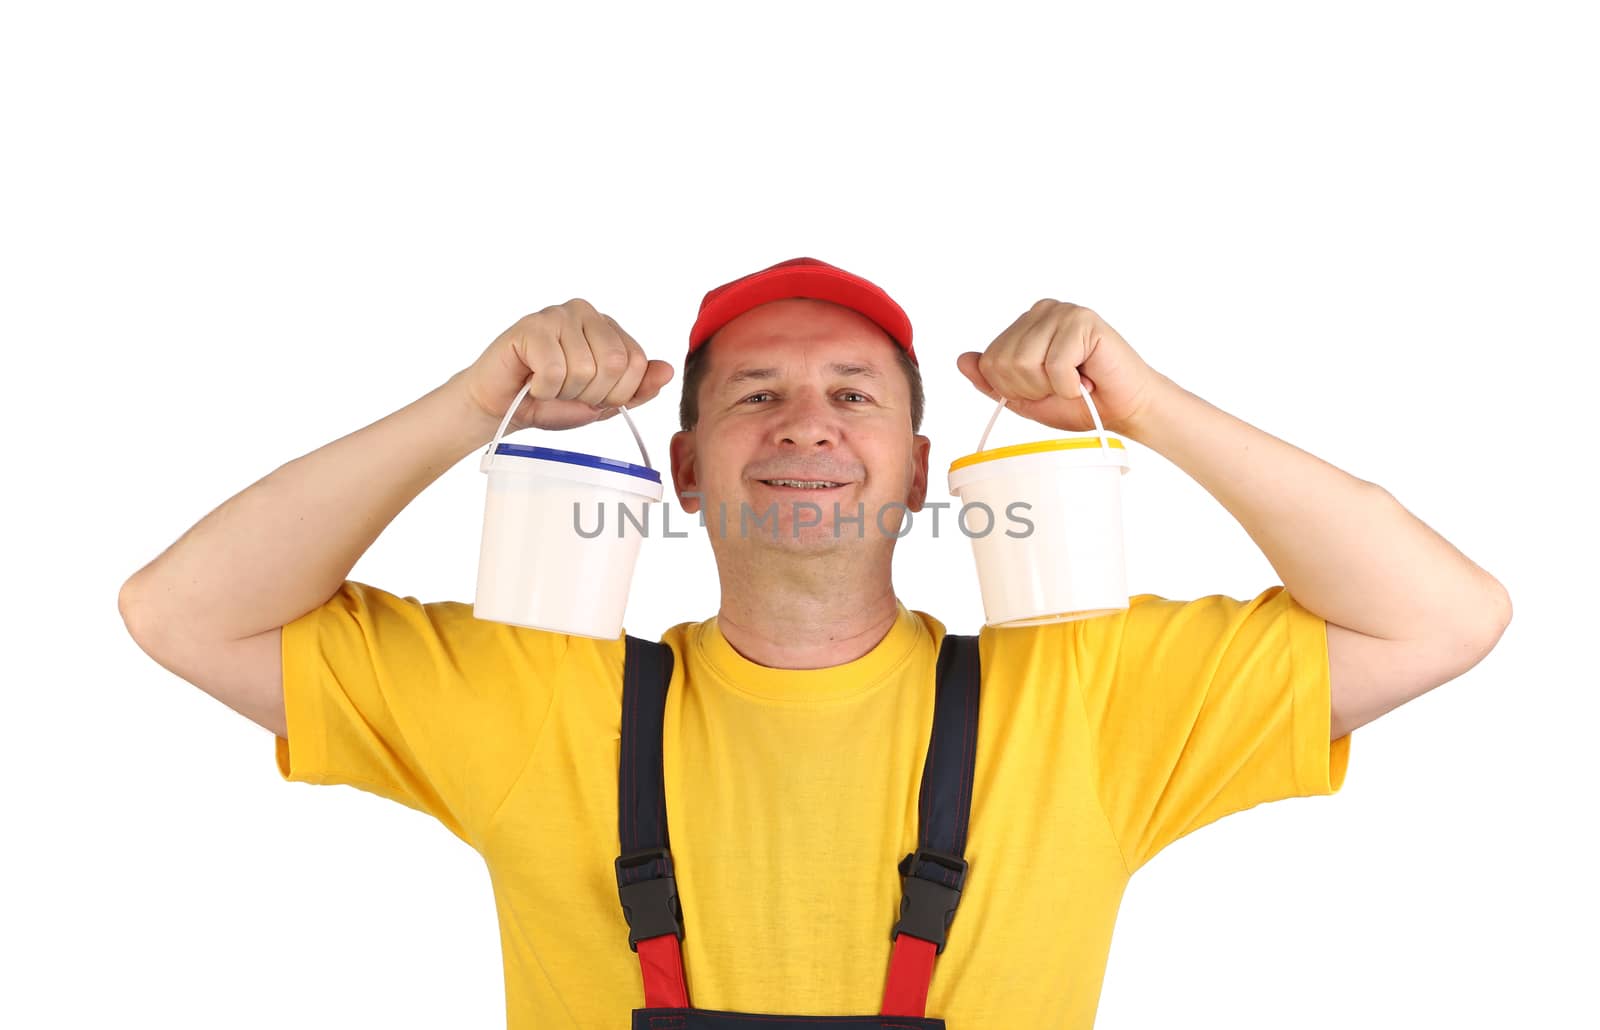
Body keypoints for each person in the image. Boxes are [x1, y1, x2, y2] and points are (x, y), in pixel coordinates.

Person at [118, 256, 1512, 1028]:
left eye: (851, 393)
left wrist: (1135, 403)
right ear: (680, 468)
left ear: (919, 469)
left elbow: (1443, 614)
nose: (803, 425)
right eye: (757, 396)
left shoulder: (1084, 694)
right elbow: (179, 611)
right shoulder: (539, 691)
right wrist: (467, 405)